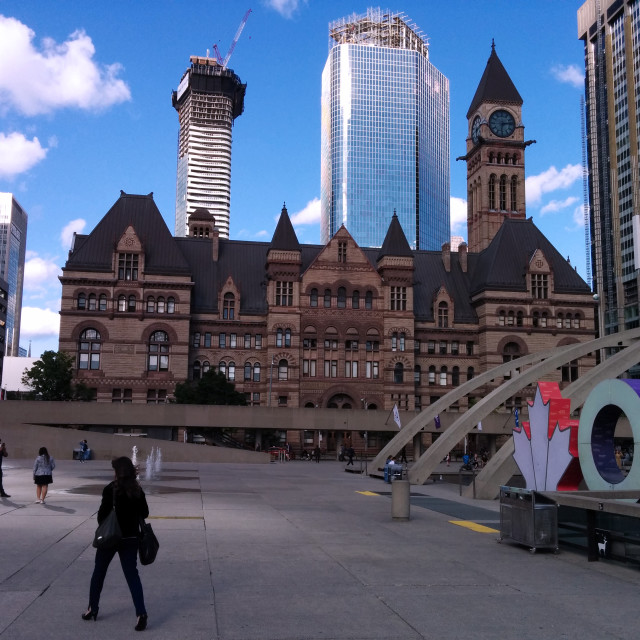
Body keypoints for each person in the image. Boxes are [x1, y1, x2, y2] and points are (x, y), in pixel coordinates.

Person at [83, 456, 149, 631]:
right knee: (132, 576)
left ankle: (93, 609)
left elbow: (101, 517)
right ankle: (141, 613)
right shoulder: (137, 491)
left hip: (111, 538)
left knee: (99, 572)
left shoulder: (110, 489)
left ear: (117, 473)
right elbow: (145, 513)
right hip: (131, 539)